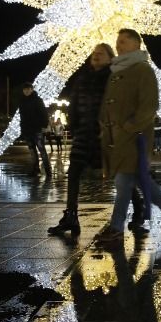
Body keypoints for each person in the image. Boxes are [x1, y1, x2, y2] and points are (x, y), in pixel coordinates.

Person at [94, 29, 161, 243]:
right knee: (133, 179)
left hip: (133, 137)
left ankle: (116, 228)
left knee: (123, 181)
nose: (119, 45)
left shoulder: (143, 70)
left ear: (137, 44)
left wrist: (129, 125)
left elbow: (149, 105)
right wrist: (103, 123)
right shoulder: (116, 71)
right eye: (117, 41)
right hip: (117, 138)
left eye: (124, 41)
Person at [48, 43, 113, 236]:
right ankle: (71, 217)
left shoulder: (113, 78)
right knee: (74, 173)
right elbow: (74, 104)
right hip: (84, 134)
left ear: (110, 57)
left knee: (117, 174)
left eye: (101, 53)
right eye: (94, 53)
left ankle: (139, 207)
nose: (96, 55)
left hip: (104, 135)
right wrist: (74, 128)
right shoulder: (83, 78)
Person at [19, 83, 52, 177]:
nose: (26, 91)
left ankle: (48, 170)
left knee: (42, 150)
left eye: (28, 89)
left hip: (37, 129)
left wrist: (43, 125)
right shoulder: (22, 102)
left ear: (32, 89)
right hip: (27, 130)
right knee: (32, 151)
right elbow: (22, 117)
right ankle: (35, 169)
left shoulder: (37, 100)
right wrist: (22, 128)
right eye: (25, 89)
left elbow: (44, 113)